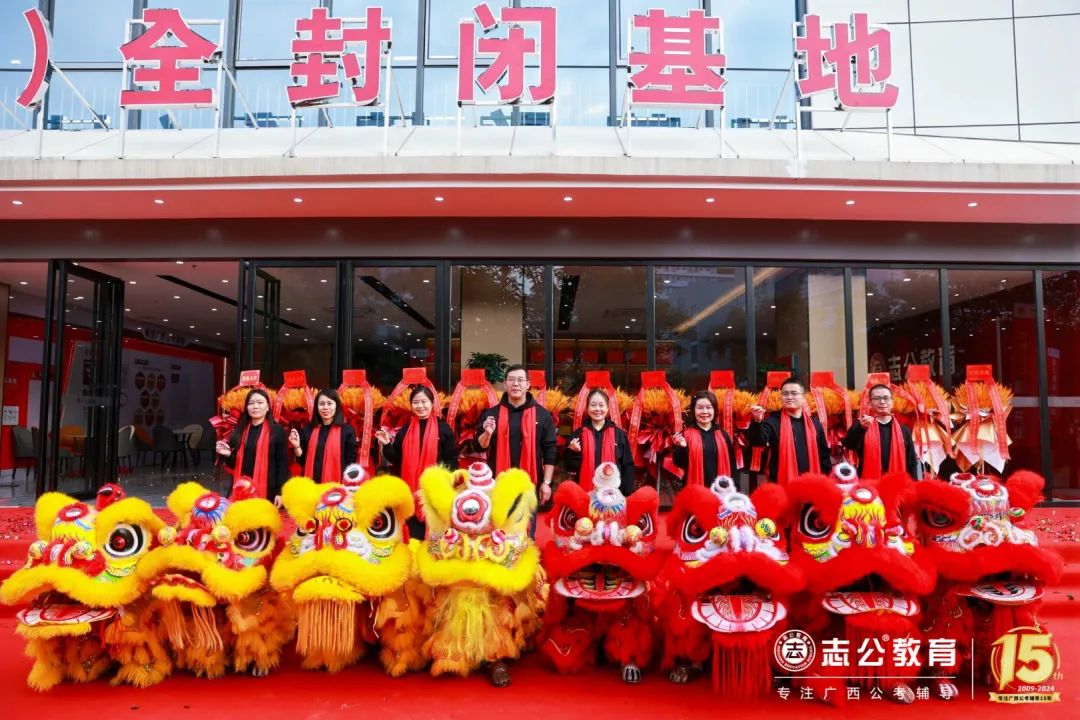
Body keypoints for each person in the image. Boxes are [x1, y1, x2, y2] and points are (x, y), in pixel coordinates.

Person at [475, 365, 558, 536]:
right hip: (498, 482)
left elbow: (550, 450)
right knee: (498, 534)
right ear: (505, 384)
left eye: (520, 380)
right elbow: (479, 446)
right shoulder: (492, 414)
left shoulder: (543, 415)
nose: (515, 384)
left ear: (528, 384)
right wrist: (487, 434)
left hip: (529, 483)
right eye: (511, 380)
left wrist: (547, 483)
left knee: (526, 535)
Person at [376, 385, 458, 540]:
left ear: (432, 403)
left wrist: (443, 482)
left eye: (424, 402)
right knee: (412, 535)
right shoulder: (405, 430)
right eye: (416, 402)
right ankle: (413, 551)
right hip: (410, 489)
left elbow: (452, 459)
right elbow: (396, 459)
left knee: (435, 534)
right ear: (411, 405)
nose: (420, 406)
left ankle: (433, 553)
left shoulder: (443, 429)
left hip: (434, 491)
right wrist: (386, 444)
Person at [748, 376, 831, 484]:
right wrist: (757, 421)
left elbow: (824, 455)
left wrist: (826, 480)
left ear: (804, 398)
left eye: (794, 393)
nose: (789, 397)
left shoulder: (815, 423)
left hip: (811, 483)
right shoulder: (773, 421)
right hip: (781, 484)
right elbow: (758, 441)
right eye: (785, 394)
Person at [216, 388, 289, 501]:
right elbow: (233, 465)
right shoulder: (241, 429)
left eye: (260, 402)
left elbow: (282, 464)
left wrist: (281, 492)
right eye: (251, 403)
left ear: (268, 407)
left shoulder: (277, 430)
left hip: (269, 490)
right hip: (242, 488)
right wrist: (228, 455)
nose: (255, 406)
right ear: (247, 408)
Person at [565, 388, 635, 495]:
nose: (597, 409)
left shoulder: (619, 435)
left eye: (601, 405)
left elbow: (628, 466)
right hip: (585, 495)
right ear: (587, 408)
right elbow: (570, 467)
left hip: (613, 497)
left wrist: (626, 494)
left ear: (607, 408)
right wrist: (573, 452)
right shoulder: (578, 435)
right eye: (593, 405)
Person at [842, 383, 919, 479]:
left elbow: (911, 462)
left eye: (886, 398)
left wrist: (913, 485)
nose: (882, 402)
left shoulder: (903, 430)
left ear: (892, 402)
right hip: (869, 483)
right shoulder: (862, 424)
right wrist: (861, 428)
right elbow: (849, 445)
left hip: (897, 482)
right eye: (877, 398)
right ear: (869, 403)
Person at [288, 388, 359, 484]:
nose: (325, 407)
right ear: (316, 407)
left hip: (337, 486)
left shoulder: (347, 431)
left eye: (329, 403)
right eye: (321, 404)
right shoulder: (308, 429)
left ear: (336, 406)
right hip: (312, 485)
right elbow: (302, 461)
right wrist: (296, 446)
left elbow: (351, 463)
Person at [671, 390, 738, 487]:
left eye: (709, 407)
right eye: (700, 408)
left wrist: (735, 487)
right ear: (693, 410)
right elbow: (679, 464)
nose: (705, 411)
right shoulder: (686, 435)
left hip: (720, 489)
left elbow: (732, 464)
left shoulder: (723, 435)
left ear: (714, 410)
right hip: (696, 490)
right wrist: (682, 447)